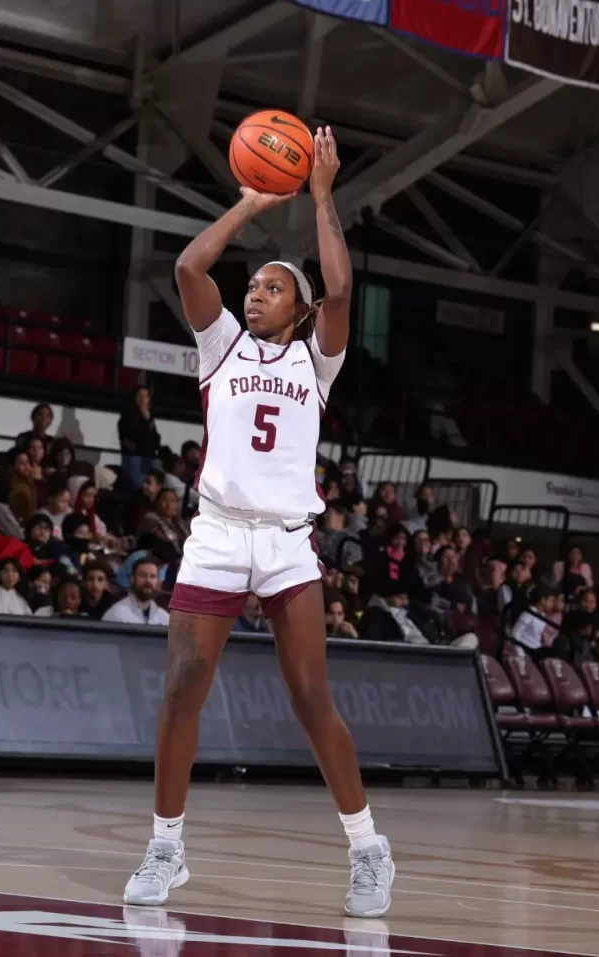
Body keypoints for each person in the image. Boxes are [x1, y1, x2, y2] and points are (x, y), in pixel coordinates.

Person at [121, 129, 393, 919]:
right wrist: (248, 201)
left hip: (282, 542)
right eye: (253, 287)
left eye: (271, 288)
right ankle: (166, 847)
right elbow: (187, 267)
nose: (254, 294)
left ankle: (369, 849)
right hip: (215, 532)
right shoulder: (220, 347)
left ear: (299, 307)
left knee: (311, 696)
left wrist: (319, 195)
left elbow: (340, 291)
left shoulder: (319, 358)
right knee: (181, 686)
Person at [103, 555, 170, 627]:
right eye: (143, 576)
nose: (148, 581)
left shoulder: (165, 618)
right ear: (132, 578)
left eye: (152, 576)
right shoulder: (116, 614)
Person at [119, 385, 161, 492]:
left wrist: (147, 420)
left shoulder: (150, 418)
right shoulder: (126, 418)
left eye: (146, 396)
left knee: (158, 472)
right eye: (140, 396)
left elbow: (156, 441)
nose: (143, 400)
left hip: (149, 456)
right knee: (138, 480)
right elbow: (135, 440)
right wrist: (145, 421)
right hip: (135, 456)